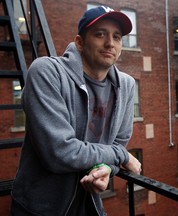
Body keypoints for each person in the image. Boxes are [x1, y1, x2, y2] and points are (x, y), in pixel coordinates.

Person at [11, 5, 141, 216]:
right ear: (79, 42)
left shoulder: (125, 86)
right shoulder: (46, 72)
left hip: (91, 206)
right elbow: (59, 152)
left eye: (117, 37)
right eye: (100, 34)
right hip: (40, 210)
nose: (110, 43)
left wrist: (108, 168)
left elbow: (118, 145)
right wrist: (120, 156)